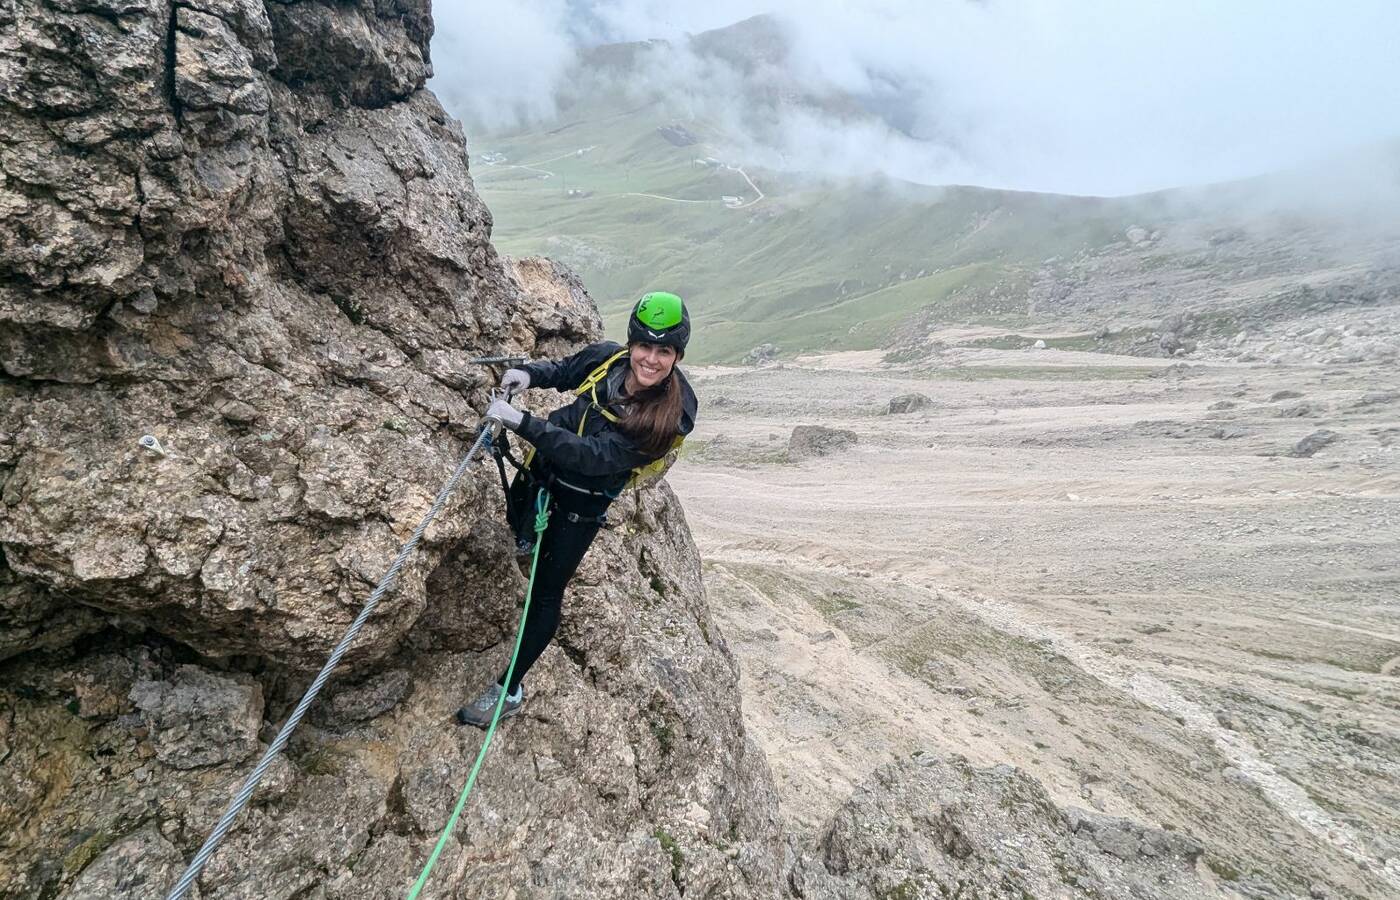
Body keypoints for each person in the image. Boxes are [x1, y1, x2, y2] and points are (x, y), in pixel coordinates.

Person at [457, 292, 698, 727]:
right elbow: (568, 370)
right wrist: (527, 375)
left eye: (664, 351)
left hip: (581, 505)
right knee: (520, 528)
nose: (650, 359)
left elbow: (593, 457)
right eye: (644, 345)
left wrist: (522, 423)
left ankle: (508, 689)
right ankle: (526, 541)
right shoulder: (610, 359)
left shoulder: (671, 415)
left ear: (677, 354)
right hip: (542, 468)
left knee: (546, 593)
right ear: (632, 343)